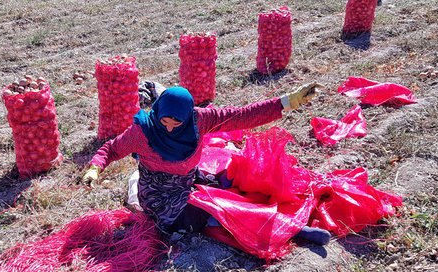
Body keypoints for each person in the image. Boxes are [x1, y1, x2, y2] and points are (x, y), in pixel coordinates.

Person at [83, 84, 330, 245]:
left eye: (176, 122)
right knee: (219, 214)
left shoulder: (199, 121)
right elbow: (111, 148)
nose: (169, 127)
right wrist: (95, 168)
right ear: (157, 112)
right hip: (162, 198)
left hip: (189, 179)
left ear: (188, 115)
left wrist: (287, 101)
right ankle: (290, 230)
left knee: (237, 190)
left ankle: (277, 220)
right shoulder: (143, 131)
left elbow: (243, 115)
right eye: (164, 120)